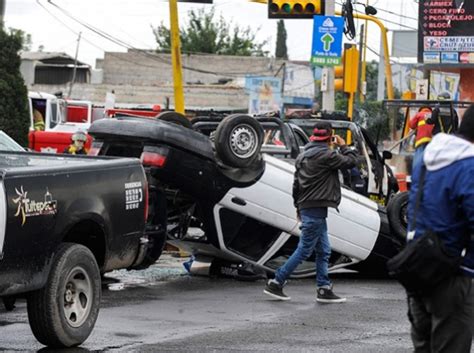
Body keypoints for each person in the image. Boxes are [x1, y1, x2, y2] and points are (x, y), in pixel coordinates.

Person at [263, 121, 360, 303]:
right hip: (316, 210)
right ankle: (276, 282)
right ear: (330, 137)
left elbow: (296, 185)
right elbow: (352, 162)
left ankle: (323, 289)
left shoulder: (303, 156)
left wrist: (298, 207)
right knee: (305, 250)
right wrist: (344, 146)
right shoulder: (327, 155)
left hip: (309, 208)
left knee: (323, 250)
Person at [406, 105, 474, 352]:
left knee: (423, 346)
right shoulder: (469, 166)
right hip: (451, 272)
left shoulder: (425, 156)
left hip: (416, 266)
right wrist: (468, 268)